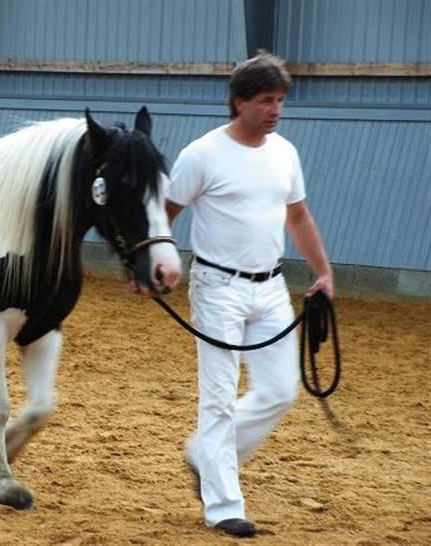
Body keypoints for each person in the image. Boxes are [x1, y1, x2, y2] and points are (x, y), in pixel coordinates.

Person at [165, 52, 334, 538]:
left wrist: (322, 272)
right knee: (217, 400)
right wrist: (155, 266)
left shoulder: (285, 153)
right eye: (266, 100)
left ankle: (205, 454)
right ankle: (223, 505)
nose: (275, 109)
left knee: (281, 391)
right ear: (239, 102)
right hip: (217, 288)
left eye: (279, 100)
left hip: (272, 287)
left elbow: (298, 217)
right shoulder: (201, 155)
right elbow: (167, 212)